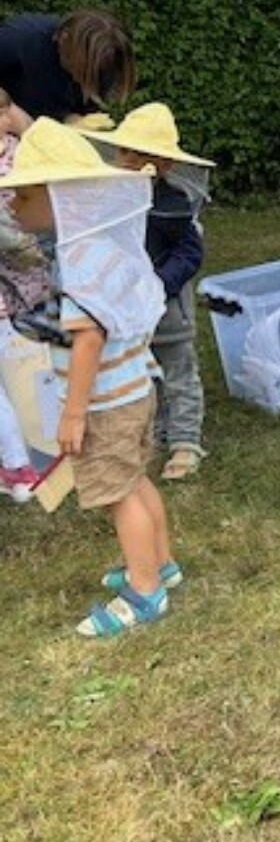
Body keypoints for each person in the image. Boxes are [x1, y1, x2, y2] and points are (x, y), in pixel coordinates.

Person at [5, 118, 173, 636]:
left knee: (117, 493)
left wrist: (73, 414)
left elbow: (89, 340)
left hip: (105, 402)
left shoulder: (78, 261)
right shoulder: (102, 246)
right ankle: (160, 563)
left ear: (58, 197)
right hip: (133, 389)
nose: (12, 205)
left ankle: (145, 593)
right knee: (135, 480)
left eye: (23, 194)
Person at [81, 104, 214, 482]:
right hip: (127, 312)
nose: (128, 161)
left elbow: (190, 253)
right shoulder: (108, 201)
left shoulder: (172, 207)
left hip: (168, 311)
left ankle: (186, 441)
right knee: (145, 374)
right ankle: (158, 430)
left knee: (178, 372)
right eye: (125, 152)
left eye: (140, 156)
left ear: (165, 165)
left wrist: (158, 284)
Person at [0, 93, 51, 500]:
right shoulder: (23, 152)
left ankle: (20, 467)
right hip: (24, 285)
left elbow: (18, 236)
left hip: (24, 284)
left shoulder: (21, 158)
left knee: (29, 372)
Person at [0, 9, 136, 128]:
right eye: (78, 67)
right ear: (64, 38)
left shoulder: (106, 60)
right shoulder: (17, 40)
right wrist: (12, 113)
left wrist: (74, 120)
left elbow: (80, 112)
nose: (78, 78)